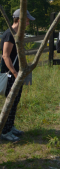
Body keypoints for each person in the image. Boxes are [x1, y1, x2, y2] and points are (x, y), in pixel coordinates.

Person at [0, 9, 35, 142]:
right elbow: (5, 56)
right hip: (11, 74)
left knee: (15, 101)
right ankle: (5, 131)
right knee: (10, 102)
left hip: (17, 74)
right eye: (27, 20)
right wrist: (15, 74)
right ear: (19, 19)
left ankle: (10, 126)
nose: (28, 23)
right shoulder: (10, 34)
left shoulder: (17, 33)